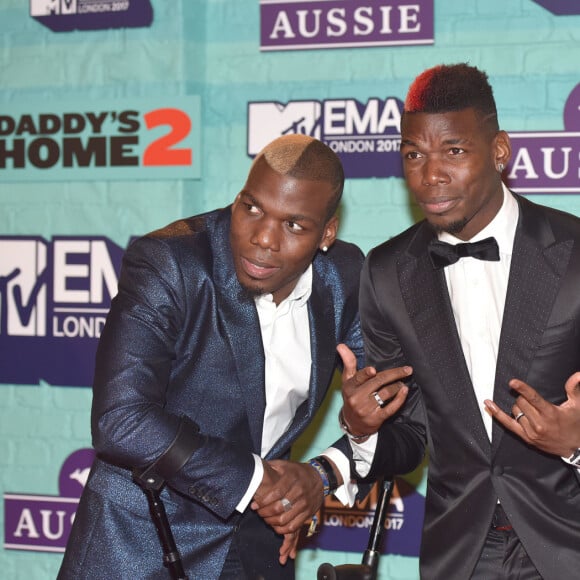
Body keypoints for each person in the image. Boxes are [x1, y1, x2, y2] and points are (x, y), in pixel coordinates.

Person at [57, 134, 368, 580]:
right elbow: (121, 420)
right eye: (252, 207)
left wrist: (323, 474)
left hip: (261, 549)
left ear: (327, 234)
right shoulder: (171, 264)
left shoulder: (343, 278)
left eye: (294, 225)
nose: (262, 238)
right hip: (141, 544)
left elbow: (394, 402)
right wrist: (259, 481)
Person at [339, 63, 580, 580]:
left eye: (454, 151)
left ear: (499, 151)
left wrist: (576, 443)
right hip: (460, 553)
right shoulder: (386, 274)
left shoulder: (575, 252)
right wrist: (363, 429)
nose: (430, 176)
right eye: (413, 155)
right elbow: (410, 436)